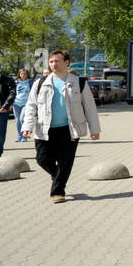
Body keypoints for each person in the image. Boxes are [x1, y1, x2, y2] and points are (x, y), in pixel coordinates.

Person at [20, 49, 100, 202]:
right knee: (42, 159)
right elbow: (31, 106)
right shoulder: (41, 83)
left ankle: (58, 192)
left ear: (66, 62)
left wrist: (94, 130)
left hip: (69, 129)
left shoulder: (79, 82)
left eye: (57, 61)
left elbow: (90, 107)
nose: (53, 64)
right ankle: (57, 176)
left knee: (65, 161)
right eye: (51, 62)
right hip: (45, 128)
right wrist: (27, 126)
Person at [0, 60, 14, 159]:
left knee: (0, 132)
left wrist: (5, 106)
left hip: (1, 110)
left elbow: (12, 93)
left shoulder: (8, 80)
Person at [13, 67, 34, 142]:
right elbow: (12, 93)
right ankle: (19, 136)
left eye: (25, 74)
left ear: (27, 75)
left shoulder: (30, 82)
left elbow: (33, 93)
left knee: (22, 118)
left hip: (26, 104)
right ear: (19, 75)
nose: (23, 75)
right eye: (21, 74)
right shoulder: (16, 82)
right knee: (18, 120)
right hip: (16, 103)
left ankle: (24, 136)